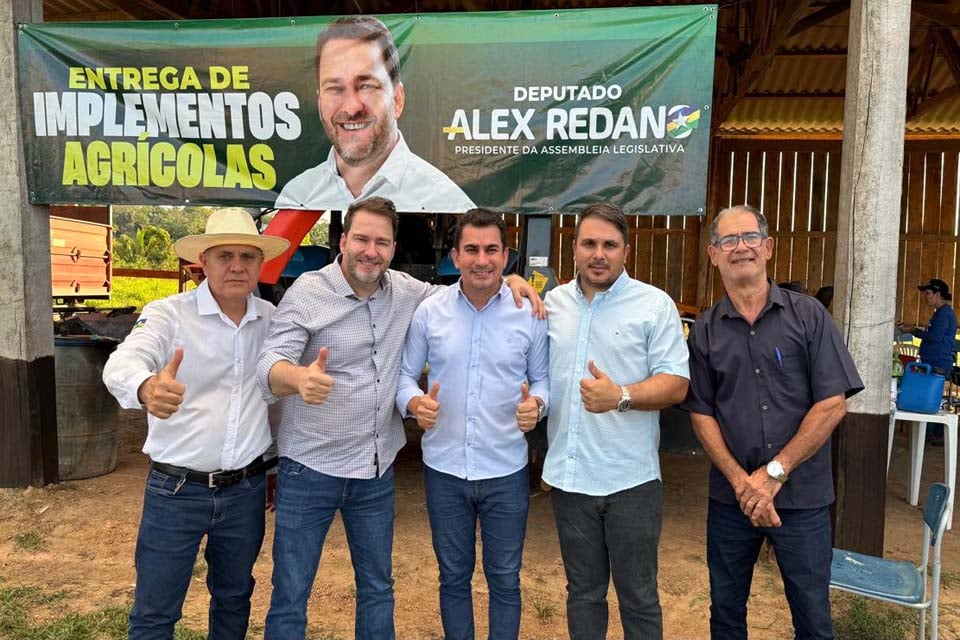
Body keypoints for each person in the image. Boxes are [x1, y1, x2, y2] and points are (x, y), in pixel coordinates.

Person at [257, 196, 542, 640]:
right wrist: (296, 378)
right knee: (291, 591)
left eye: (382, 242)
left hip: (373, 470)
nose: (371, 251)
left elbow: (470, 290)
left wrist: (511, 280)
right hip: (311, 467)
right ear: (343, 241)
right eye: (362, 240)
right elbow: (269, 363)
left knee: (377, 589)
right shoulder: (308, 292)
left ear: (393, 248)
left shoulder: (409, 293)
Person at [102, 209, 290, 640]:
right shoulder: (169, 314)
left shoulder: (272, 320)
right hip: (176, 490)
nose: (237, 266)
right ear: (203, 261)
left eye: (247, 256)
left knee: (234, 598)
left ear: (261, 263)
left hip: (245, 489)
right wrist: (146, 386)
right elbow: (123, 361)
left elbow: (275, 400)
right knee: (155, 611)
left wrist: (274, 463)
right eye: (225, 256)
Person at [680, 204, 863, 640]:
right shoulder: (705, 331)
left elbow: (833, 404)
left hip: (803, 499)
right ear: (713, 255)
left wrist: (773, 474)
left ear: (767, 247)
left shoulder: (809, 316)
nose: (740, 247)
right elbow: (702, 413)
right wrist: (743, 483)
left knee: (813, 619)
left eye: (749, 237)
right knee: (726, 615)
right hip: (733, 500)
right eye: (728, 240)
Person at [396, 209, 549, 640]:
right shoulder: (430, 312)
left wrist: (537, 405)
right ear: (455, 256)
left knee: (505, 579)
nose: (482, 260)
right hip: (445, 469)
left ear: (506, 255)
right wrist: (414, 403)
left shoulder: (529, 312)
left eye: (491, 250)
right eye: (472, 250)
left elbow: (543, 380)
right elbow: (404, 376)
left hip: (506, 470)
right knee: (452, 577)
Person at [542, 202, 689, 640]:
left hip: (631, 482)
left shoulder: (654, 305)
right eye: (589, 243)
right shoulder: (553, 303)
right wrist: (513, 281)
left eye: (609, 245)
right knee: (583, 595)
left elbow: (676, 383)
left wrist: (621, 396)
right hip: (571, 481)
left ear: (627, 251)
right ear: (573, 249)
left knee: (638, 598)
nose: (598, 254)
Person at [275, 16, 475, 213]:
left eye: (366, 86)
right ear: (319, 102)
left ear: (397, 99)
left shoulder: (447, 200)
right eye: (335, 88)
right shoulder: (297, 195)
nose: (352, 108)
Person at [898, 278, 957, 377]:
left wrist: (913, 330)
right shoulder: (940, 312)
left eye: (928, 293)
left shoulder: (943, 313)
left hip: (938, 365)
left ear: (937, 294)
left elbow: (935, 337)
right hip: (932, 363)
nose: (925, 296)